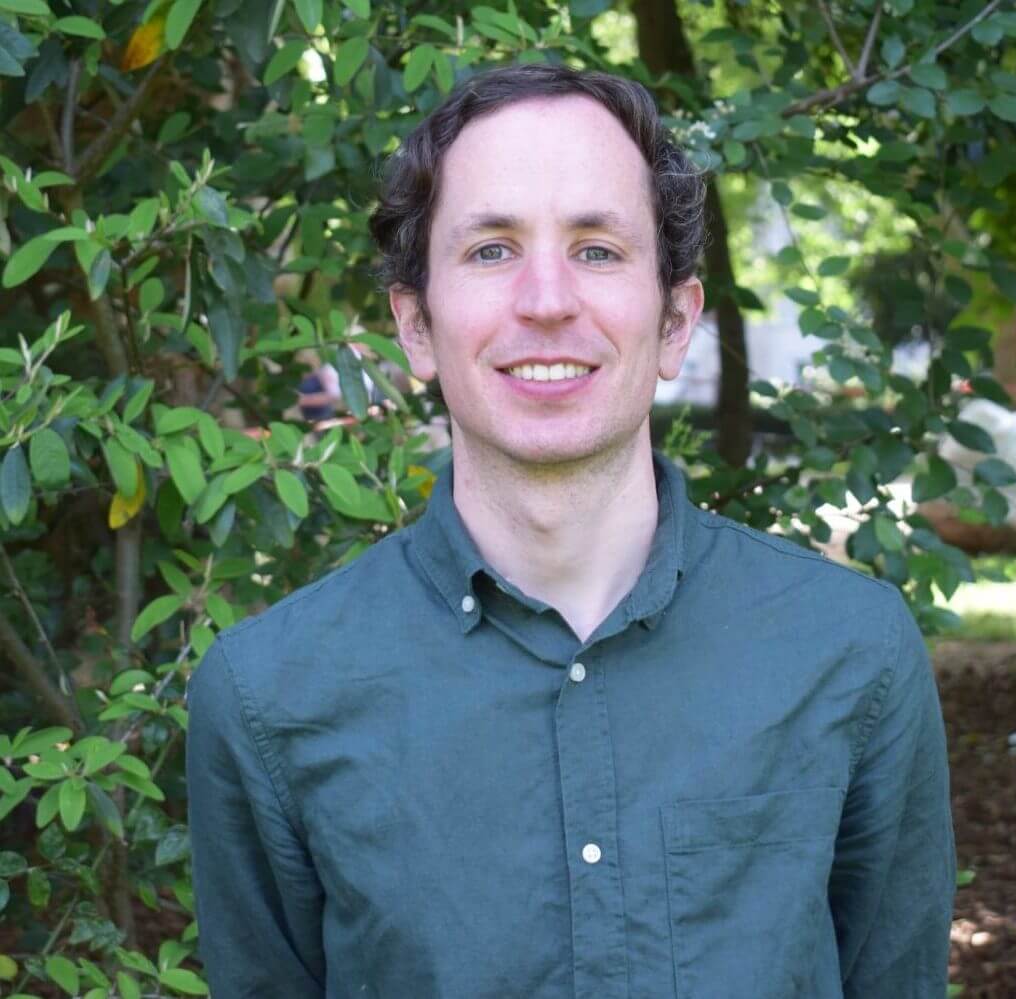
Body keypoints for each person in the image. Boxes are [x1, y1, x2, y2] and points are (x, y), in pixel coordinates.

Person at [186, 63, 955, 998]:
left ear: (674, 321)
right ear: (417, 327)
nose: (547, 299)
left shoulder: (852, 653)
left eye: (596, 248)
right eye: (491, 249)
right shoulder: (269, 697)